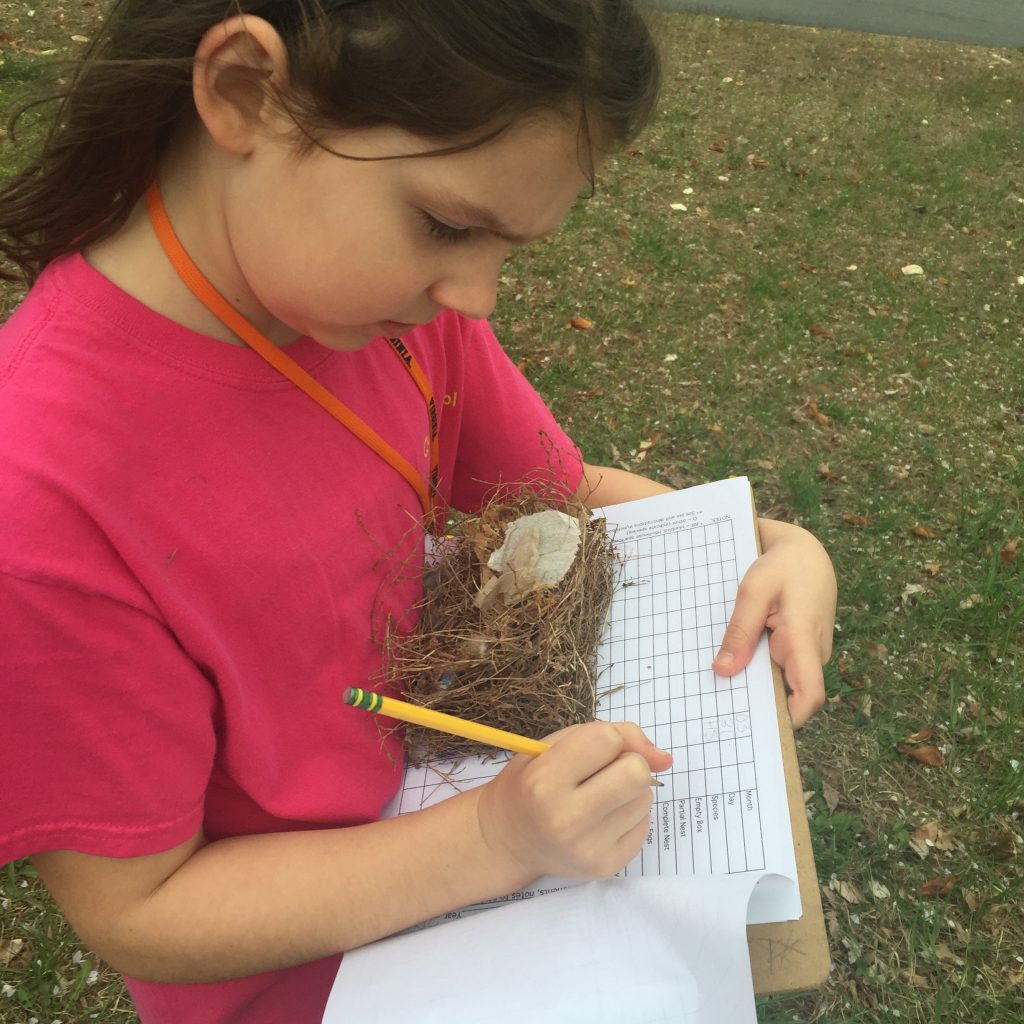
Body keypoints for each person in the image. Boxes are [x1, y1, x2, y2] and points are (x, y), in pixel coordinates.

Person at [0, 1, 837, 1022]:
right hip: (320, 979)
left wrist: (763, 543)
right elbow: (140, 907)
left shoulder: (382, 314)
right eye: (446, 224)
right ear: (244, 93)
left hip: (504, 860)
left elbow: (561, 496)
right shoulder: (40, 501)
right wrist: (491, 842)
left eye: (508, 248)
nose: (477, 295)